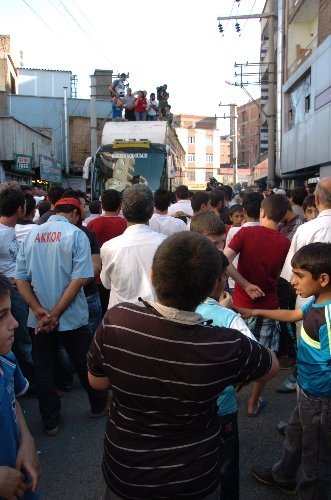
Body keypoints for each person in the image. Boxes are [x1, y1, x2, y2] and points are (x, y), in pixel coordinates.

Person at [88, 231, 278, 499]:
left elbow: (98, 381)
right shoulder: (226, 345)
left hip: (126, 473)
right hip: (194, 478)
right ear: (214, 286)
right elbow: (270, 366)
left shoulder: (118, 320)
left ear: (153, 277)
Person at [238, 243, 331, 500]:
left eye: (299, 275)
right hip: (308, 390)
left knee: (317, 458)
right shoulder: (316, 301)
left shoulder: (329, 314)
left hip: (322, 399)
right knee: (295, 433)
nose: (293, 282)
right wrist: (254, 310)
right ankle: (284, 476)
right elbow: (293, 314)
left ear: (323, 279)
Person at [15, 197, 109, 436]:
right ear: (76, 214)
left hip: (38, 319)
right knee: (84, 362)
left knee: (44, 369)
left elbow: (21, 279)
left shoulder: (32, 236)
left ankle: (50, 421)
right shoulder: (75, 234)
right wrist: (55, 314)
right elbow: (80, 279)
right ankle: (98, 405)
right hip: (71, 316)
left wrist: (38, 311)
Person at [196, 251, 260, 500]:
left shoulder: (156, 312)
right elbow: (260, 364)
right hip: (221, 408)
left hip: (177, 407)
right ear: (217, 282)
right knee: (226, 467)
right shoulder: (228, 317)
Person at [224, 194, 291, 353]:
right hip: (269, 307)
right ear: (282, 216)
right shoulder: (285, 242)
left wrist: (245, 284)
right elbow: (282, 274)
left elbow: (223, 260)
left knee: (240, 352)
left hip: (241, 304)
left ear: (263, 212)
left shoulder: (245, 233)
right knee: (263, 355)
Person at [0, 273, 41, 499]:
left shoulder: (6, 360)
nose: (15, 323)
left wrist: (26, 439)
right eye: (1, 316)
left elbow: (12, 400)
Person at [100, 184, 166, 309]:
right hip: (157, 320)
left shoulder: (109, 247)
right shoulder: (167, 244)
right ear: (152, 212)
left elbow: (107, 284)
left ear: (123, 211)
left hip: (120, 321)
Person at [0, 188, 35, 388]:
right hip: (11, 294)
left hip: (19, 290)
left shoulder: (10, 230)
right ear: (20, 209)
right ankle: (29, 383)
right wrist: (8, 280)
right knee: (22, 340)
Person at [87, 189, 127, 315]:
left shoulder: (92, 224)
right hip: (120, 278)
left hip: (97, 278)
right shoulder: (126, 224)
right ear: (120, 206)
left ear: (102, 206)